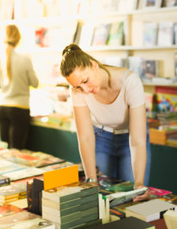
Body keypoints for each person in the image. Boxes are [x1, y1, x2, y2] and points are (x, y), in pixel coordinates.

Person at [59, 44, 151, 200]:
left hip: (130, 139)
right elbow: (85, 137)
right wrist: (91, 179)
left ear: (94, 64)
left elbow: (137, 141)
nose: (85, 90)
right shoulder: (77, 90)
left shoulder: (130, 81)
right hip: (101, 138)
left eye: (85, 81)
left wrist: (140, 183)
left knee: (132, 197)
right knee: (100, 198)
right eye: (78, 87)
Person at [0, 24, 39, 149]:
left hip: (2, 108)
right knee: (17, 151)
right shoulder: (25, 59)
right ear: (18, 39)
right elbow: (35, 83)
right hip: (20, 108)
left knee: (6, 151)